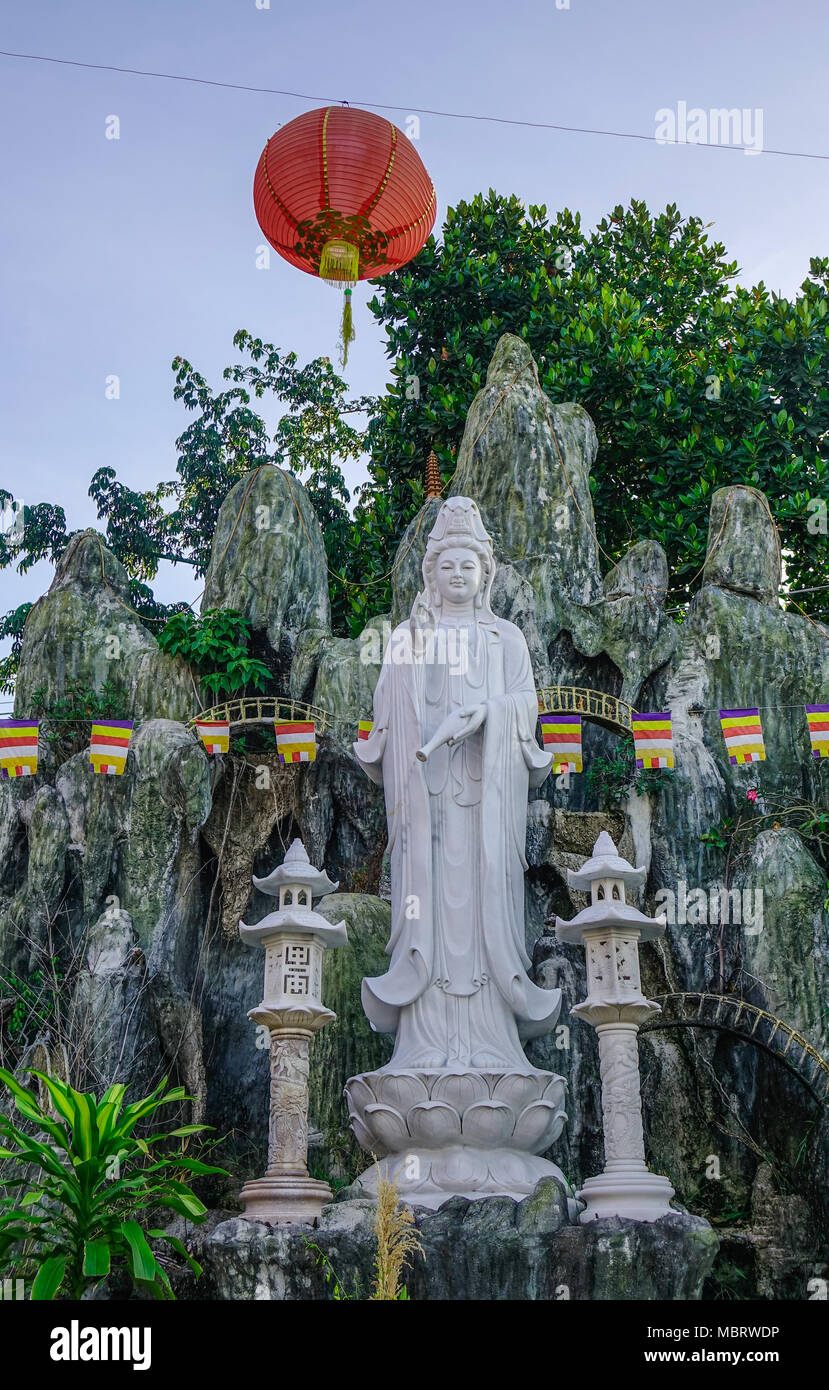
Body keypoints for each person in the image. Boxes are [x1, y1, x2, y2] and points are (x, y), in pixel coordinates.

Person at [353, 496, 560, 1072]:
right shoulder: (410, 636)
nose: (458, 576)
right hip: (430, 805)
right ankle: (425, 1045)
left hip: (487, 803)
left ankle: (493, 1045)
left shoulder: (506, 640)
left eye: (469, 566)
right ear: (431, 573)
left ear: (485, 573)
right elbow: (387, 713)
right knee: (432, 914)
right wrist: (411, 653)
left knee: (484, 905)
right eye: (447, 566)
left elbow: (526, 706)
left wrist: (490, 714)